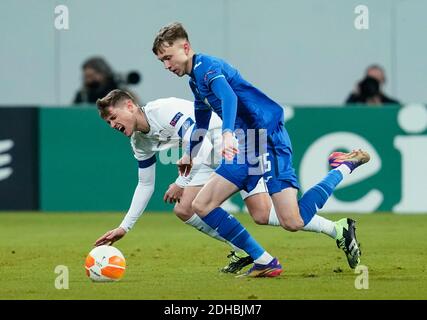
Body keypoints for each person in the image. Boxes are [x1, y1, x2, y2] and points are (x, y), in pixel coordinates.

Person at [152, 22, 370, 277]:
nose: (167, 66)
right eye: (162, 61)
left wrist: (227, 133)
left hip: (267, 138)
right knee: (207, 206)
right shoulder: (195, 83)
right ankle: (265, 261)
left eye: (168, 57)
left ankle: (345, 168)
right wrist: (190, 152)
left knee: (293, 220)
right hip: (247, 145)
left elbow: (229, 98)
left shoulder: (207, 67)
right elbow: (201, 120)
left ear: (185, 47)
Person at [93, 89, 364, 276]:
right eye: (107, 123)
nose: (112, 125)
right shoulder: (139, 142)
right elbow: (145, 184)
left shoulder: (163, 110)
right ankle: (335, 229)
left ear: (129, 105)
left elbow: (196, 137)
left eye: (113, 117)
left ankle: (262, 258)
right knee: (246, 213)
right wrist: (124, 227)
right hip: (212, 157)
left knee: (281, 217)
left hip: (238, 143)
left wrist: (181, 180)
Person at [74, 56, 140, 105]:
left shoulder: (118, 90)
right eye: (86, 77)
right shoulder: (83, 95)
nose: (89, 80)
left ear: (103, 74)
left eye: (91, 76)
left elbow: (135, 106)